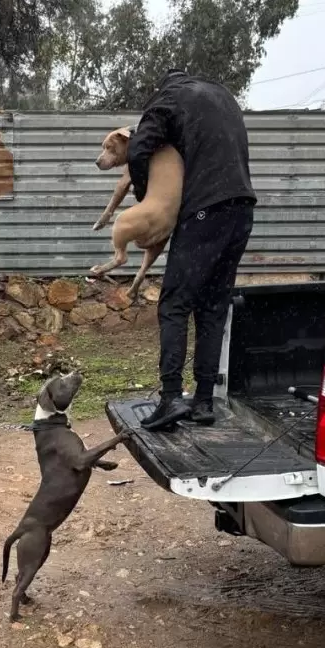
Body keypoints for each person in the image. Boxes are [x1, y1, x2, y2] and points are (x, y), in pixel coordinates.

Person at [126, 69, 257, 431]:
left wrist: (144, 196)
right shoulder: (223, 95)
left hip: (205, 210)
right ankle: (202, 401)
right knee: (213, 307)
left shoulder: (167, 100)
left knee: (174, 303)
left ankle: (170, 398)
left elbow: (138, 148)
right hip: (242, 209)